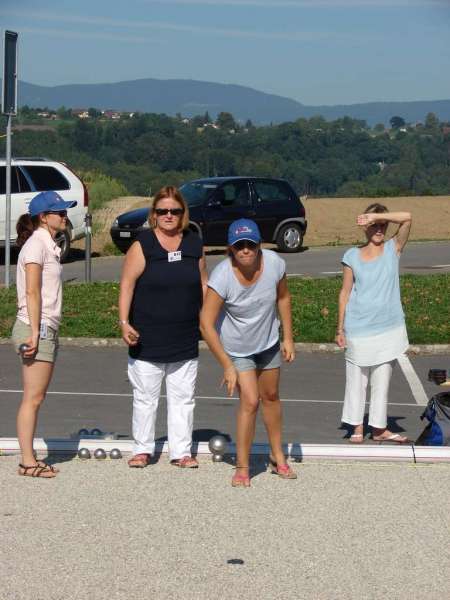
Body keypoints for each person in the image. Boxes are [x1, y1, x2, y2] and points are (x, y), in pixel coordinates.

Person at [200, 219, 296, 487]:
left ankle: (277, 456)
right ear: (231, 248)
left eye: (250, 244)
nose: (245, 250)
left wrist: (287, 337)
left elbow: (283, 298)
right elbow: (206, 323)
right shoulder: (222, 276)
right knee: (251, 401)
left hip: (267, 342)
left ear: (259, 245)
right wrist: (227, 365)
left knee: (272, 396)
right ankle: (242, 466)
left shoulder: (275, 264)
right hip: (236, 348)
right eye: (239, 246)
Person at [119, 186, 207, 468]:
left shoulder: (194, 243)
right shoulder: (142, 244)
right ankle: (143, 449)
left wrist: (207, 320)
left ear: (183, 214)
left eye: (175, 211)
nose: (169, 216)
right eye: (163, 211)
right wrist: (124, 322)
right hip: (148, 335)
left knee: (183, 398)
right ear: (154, 214)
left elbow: (204, 284)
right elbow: (127, 285)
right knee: (146, 397)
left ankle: (181, 452)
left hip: (184, 334)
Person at [12, 190, 77, 478]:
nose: (64, 216)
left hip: (43, 326)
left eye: (64, 212)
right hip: (35, 327)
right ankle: (27, 461)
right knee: (33, 398)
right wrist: (36, 333)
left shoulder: (46, 244)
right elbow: (32, 291)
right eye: (59, 212)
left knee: (35, 397)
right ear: (43, 217)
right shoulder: (36, 246)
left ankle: (29, 457)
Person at [335, 204, 412, 443]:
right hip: (358, 327)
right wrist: (340, 328)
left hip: (388, 327)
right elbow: (345, 292)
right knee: (357, 379)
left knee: (382, 380)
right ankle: (357, 427)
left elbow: (407, 217)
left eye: (382, 226)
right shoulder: (351, 255)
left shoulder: (393, 248)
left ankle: (379, 429)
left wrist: (378, 215)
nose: (379, 229)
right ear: (365, 228)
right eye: (374, 226)